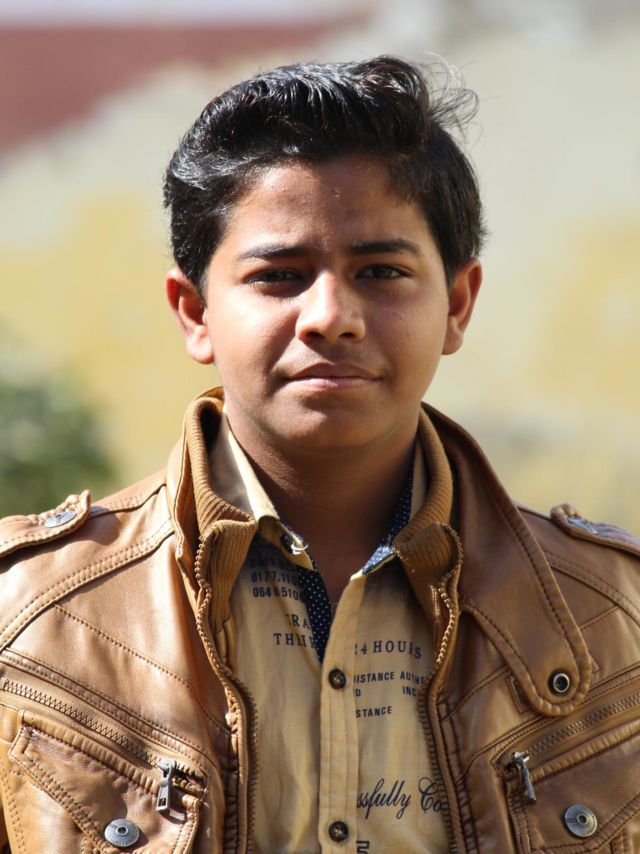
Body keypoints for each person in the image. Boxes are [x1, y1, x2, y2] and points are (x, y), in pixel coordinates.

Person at [0, 55, 639, 854]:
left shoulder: (614, 618)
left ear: (457, 303)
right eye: (280, 275)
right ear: (194, 312)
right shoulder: (28, 619)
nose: (330, 316)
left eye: (382, 271)